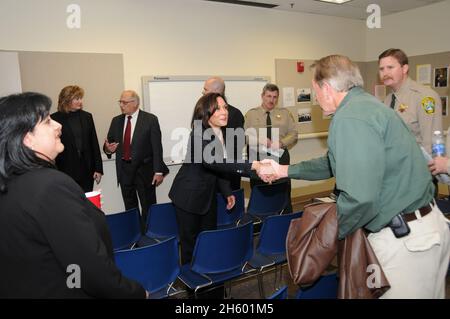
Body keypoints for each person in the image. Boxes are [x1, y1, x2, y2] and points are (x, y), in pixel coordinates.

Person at [259, 55, 450, 298]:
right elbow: (334, 162)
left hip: (405, 242)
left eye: (315, 91)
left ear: (326, 89)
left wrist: (325, 241)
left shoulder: (349, 117)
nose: (316, 100)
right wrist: (283, 170)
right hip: (426, 229)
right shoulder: (367, 106)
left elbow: (360, 199)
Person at [0, 92, 146, 298]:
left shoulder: (12, 181)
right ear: (28, 139)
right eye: (48, 121)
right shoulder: (50, 186)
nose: (57, 125)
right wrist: (136, 293)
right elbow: (90, 268)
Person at [169, 93, 262, 265]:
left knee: (209, 243)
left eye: (225, 107)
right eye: (218, 108)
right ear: (206, 112)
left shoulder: (220, 132)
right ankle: (195, 288)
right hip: (188, 197)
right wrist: (253, 166)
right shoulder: (198, 133)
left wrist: (227, 192)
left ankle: (213, 287)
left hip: (207, 197)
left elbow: (218, 168)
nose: (224, 111)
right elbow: (214, 162)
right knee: (191, 247)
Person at [104, 90, 169, 230]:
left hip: (144, 170)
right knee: (130, 207)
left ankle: (151, 233)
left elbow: (157, 147)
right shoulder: (116, 121)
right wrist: (108, 149)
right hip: (124, 170)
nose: (121, 105)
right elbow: (108, 145)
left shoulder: (150, 119)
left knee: (148, 205)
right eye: (120, 102)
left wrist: (158, 171)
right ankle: (135, 234)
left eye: (125, 102)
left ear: (135, 103)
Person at [244, 83, 297, 213]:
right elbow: (243, 136)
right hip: (259, 159)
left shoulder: (285, 114)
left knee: (282, 190)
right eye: (268, 96)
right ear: (262, 96)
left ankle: (285, 218)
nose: (271, 100)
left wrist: (282, 143)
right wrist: (258, 140)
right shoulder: (251, 115)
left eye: (275, 97)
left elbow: (294, 134)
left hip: (280, 158)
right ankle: (260, 220)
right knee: (260, 191)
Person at [378, 48, 442, 154]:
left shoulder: (425, 97)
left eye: (390, 67)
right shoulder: (388, 99)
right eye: (381, 69)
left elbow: (431, 144)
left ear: (404, 69)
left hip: (418, 166)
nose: (385, 73)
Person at [51, 85, 103, 192]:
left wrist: (98, 168)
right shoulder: (54, 119)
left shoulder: (87, 117)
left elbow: (94, 143)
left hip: (87, 170)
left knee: (86, 203)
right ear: (66, 100)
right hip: (65, 170)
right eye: (77, 98)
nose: (80, 101)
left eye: (80, 98)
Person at [203, 76, 245, 190]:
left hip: (228, 172)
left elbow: (236, 146)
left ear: (216, 92)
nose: (203, 92)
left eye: (206, 89)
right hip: (209, 173)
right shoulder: (203, 112)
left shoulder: (234, 114)